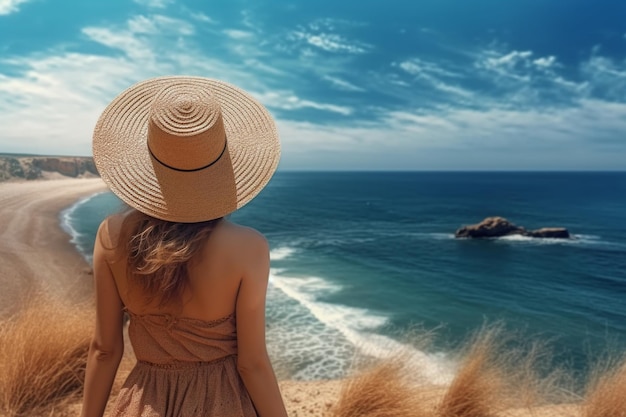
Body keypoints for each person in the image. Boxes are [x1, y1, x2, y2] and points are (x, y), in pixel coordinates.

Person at [80, 76, 288, 417]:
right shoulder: (249, 248)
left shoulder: (111, 236)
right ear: (224, 166)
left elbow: (104, 349)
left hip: (143, 403)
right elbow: (252, 365)